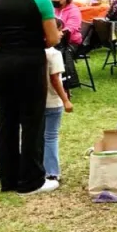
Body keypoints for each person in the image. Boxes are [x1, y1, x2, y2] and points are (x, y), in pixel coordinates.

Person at [0, 0, 62, 195]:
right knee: (33, 121)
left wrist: (3, 48)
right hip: (31, 62)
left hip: (4, 64)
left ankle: (8, 180)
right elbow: (53, 38)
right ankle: (31, 181)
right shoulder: (41, 1)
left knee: (7, 121)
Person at [42, 46, 73, 183]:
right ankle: (51, 171)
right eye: (59, 30)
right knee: (50, 136)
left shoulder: (32, 51)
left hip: (35, 102)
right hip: (52, 102)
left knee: (36, 136)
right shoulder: (54, 54)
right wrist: (65, 100)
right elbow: (55, 78)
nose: (61, 34)